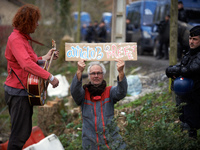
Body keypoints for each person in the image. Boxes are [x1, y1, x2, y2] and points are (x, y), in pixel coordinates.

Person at [4, 4, 59, 150]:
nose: (37, 24)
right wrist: (50, 77)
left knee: (22, 132)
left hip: (22, 90)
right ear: (27, 22)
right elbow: (26, 64)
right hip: (18, 91)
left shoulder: (22, 38)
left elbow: (27, 60)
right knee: (18, 136)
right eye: (35, 21)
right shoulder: (16, 39)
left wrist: (45, 58)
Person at [70, 59, 127, 149]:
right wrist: (79, 71)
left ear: (103, 75)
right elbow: (74, 91)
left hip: (112, 141)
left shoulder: (110, 91)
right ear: (89, 76)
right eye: (93, 73)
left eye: (99, 73)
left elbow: (121, 92)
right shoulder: (83, 94)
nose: (96, 76)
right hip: (91, 143)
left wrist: (120, 72)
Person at [166, 26, 200, 139]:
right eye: (190, 38)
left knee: (191, 126)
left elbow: (191, 69)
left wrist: (179, 71)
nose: (191, 41)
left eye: (195, 39)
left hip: (196, 97)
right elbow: (182, 67)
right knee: (184, 124)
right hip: (185, 97)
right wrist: (172, 71)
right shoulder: (189, 53)